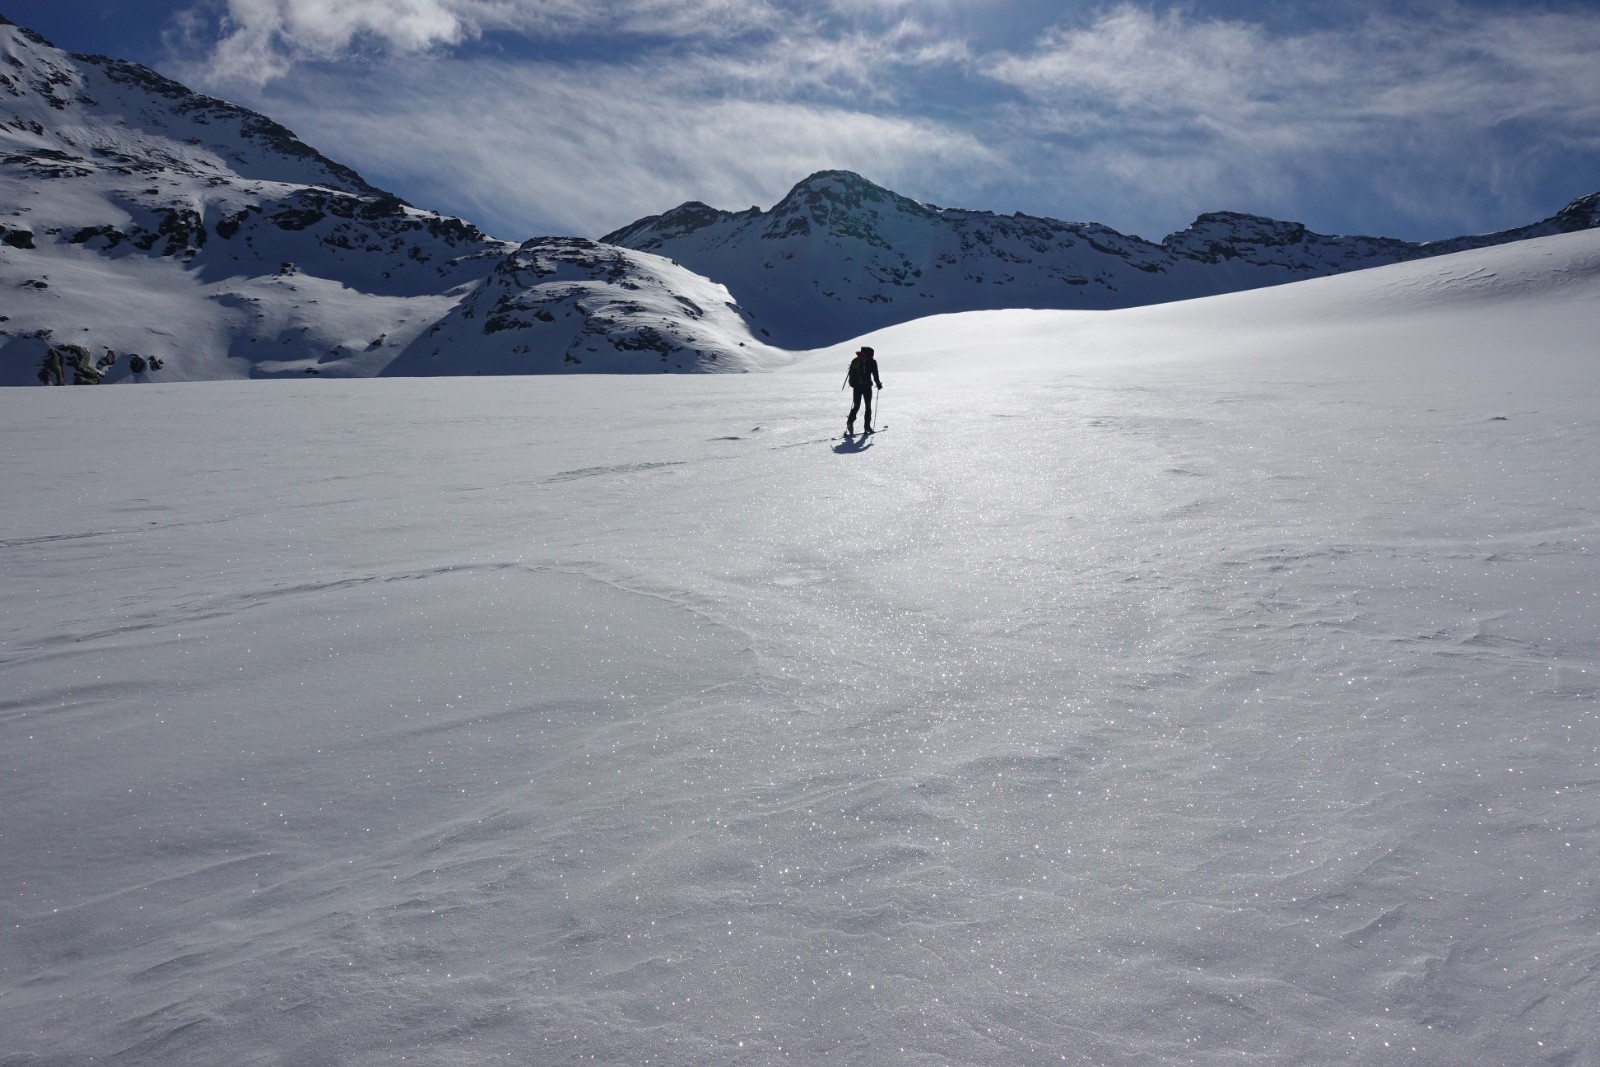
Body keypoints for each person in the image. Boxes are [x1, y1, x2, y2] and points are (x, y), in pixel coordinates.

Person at [845, 345, 883, 435]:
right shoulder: (872, 362)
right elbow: (875, 374)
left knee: (856, 406)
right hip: (867, 387)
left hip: (856, 387)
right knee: (868, 406)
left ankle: (850, 421)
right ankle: (867, 427)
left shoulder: (857, 361)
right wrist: (878, 384)